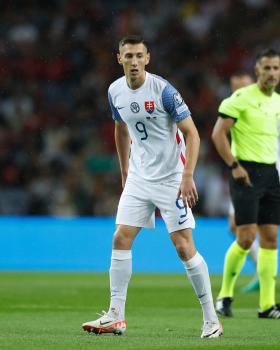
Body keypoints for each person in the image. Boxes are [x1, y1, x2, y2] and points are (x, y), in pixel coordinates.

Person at [82, 35, 222, 338]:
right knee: (121, 237)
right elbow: (120, 129)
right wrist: (124, 170)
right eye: (128, 56)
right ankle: (115, 315)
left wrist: (187, 175)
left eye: (139, 56)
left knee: (184, 247)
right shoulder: (114, 91)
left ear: (148, 58)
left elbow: (193, 134)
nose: (133, 62)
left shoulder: (164, 91)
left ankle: (212, 319)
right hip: (139, 177)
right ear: (119, 59)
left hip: (172, 177)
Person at [212, 48, 280, 319]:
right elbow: (218, 133)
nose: (272, 73)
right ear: (257, 70)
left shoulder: (277, 102)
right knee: (245, 237)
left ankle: (267, 305)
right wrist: (234, 166)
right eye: (267, 68)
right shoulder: (240, 98)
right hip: (246, 172)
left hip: (271, 174)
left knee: (271, 238)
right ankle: (224, 295)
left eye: (276, 68)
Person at [228, 72, 260, 293]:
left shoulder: (266, 107)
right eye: (235, 88)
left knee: (258, 227)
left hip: (265, 172)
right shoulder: (231, 109)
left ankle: (264, 271)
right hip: (242, 174)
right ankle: (262, 269)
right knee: (236, 225)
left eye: (244, 87)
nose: (240, 92)